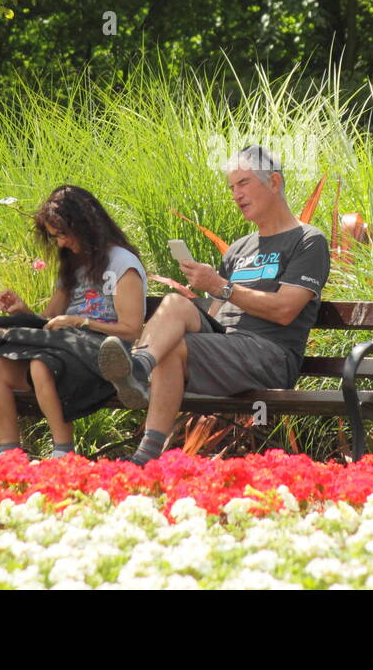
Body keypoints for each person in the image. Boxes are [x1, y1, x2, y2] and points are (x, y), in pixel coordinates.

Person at [97, 145, 330, 465]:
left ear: (274, 183)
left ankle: (146, 454)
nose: (236, 195)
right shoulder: (238, 248)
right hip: (229, 347)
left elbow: (285, 310)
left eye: (244, 183)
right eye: (232, 187)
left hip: (270, 355)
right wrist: (212, 292)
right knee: (175, 304)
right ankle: (139, 367)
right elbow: (218, 313)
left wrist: (220, 286)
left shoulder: (308, 240)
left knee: (175, 347)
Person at [0, 185, 147, 458]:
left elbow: (131, 330)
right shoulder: (72, 265)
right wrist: (25, 313)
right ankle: (10, 456)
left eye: (62, 235)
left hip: (105, 357)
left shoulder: (122, 263)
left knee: (41, 364)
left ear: (84, 226)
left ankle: (63, 453)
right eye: (54, 237)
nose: (60, 243)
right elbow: (50, 322)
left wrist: (81, 322)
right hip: (64, 349)